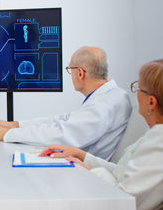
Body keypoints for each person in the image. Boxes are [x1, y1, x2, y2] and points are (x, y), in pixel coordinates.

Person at [40, 59, 163, 210]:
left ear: (151, 102)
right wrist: (81, 155)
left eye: (138, 88)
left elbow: (123, 198)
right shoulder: (154, 134)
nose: (136, 93)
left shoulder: (159, 141)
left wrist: (87, 170)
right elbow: (122, 173)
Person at [0, 46, 132, 160]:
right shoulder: (112, 95)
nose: (70, 74)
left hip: (85, 174)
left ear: (80, 73)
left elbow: (62, 135)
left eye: (70, 69)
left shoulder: (103, 105)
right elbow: (64, 119)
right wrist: (13, 125)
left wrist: (6, 134)